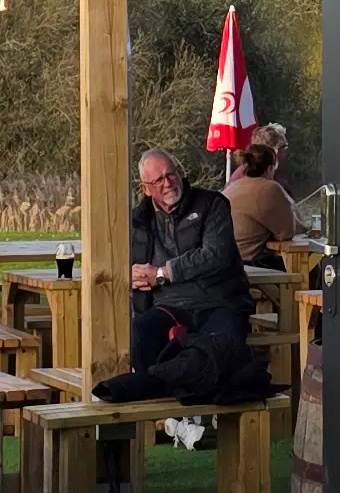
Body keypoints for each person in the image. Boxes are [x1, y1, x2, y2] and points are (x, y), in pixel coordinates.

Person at [97, 146, 261, 403]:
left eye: (171, 174)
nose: (168, 183)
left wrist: (162, 273)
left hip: (219, 302)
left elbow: (215, 255)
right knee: (140, 333)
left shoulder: (212, 204)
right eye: (159, 179)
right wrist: (129, 273)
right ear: (145, 188)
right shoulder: (137, 220)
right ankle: (169, 409)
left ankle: (175, 398)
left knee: (221, 346)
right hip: (169, 306)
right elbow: (116, 260)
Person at [225, 129, 299, 265]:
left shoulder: (233, 186)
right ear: (270, 168)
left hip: (228, 262)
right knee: (305, 268)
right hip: (249, 264)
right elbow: (287, 233)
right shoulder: (270, 188)